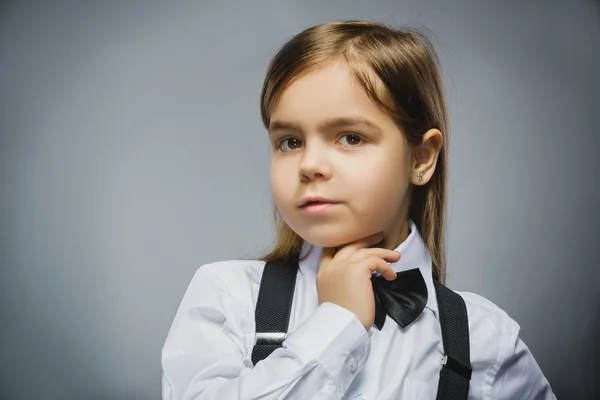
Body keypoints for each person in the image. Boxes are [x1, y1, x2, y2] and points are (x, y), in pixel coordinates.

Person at [161, 20, 556, 399]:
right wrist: (337, 321)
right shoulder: (227, 298)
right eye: (290, 141)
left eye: (350, 137)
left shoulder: (485, 335)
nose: (309, 164)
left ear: (421, 158)